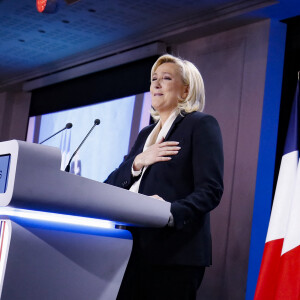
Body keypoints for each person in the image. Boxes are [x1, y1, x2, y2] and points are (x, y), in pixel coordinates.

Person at [104, 54, 224, 300]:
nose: (156, 84)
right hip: (130, 250)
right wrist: (138, 161)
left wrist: (168, 212)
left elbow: (211, 190)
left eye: (166, 78)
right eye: (153, 79)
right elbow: (111, 185)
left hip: (175, 255)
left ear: (185, 91)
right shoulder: (145, 134)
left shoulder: (200, 125)